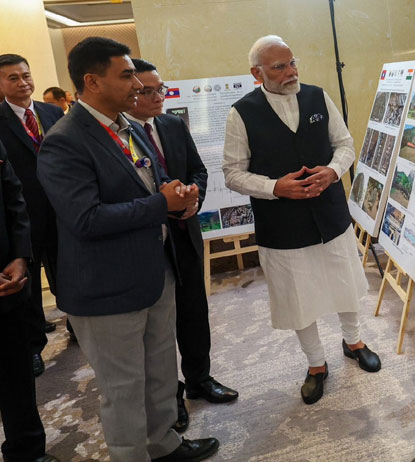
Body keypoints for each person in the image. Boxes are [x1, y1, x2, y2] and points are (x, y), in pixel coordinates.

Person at [36, 37, 219, 461]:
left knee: (158, 374)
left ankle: (163, 443)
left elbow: (145, 185)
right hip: (107, 289)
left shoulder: (129, 127)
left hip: (156, 272)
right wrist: (161, 204)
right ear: (92, 82)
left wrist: (176, 198)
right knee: (123, 389)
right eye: (126, 75)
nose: (137, 83)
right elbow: (86, 218)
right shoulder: (65, 141)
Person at [223, 35, 381, 405]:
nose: (291, 71)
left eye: (293, 62)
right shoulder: (241, 113)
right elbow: (232, 173)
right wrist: (275, 187)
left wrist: (332, 170)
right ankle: (315, 364)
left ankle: (354, 341)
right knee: (297, 298)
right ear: (256, 73)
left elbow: (345, 143)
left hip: (330, 213)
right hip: (281, 223)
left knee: (345, 281)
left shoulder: (317, 96)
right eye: (280, 66)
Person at [126, 58, 239, 434]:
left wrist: (194, 197)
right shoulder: (120, 136)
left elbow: (197, 170)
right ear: (129, 92)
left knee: (193, 310)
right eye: (147, 91)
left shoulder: (172, 124)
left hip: (184, 231)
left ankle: (199, 379)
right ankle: (169, 396)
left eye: (161, 88)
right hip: (146, 241)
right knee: (157, 327)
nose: (159, 96)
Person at [0, 54, 63, 377]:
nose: (23, 82)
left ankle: (79, 326)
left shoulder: (54, 112)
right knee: (29, 286)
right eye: (13, 78)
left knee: (66, 270)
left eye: (25, 75)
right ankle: (34, 345)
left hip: (62, 208)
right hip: (24, 214)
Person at [0, 139, 59, 462]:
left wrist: (22, 255)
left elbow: (13, 197)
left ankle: (27, 451)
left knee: (16, 373)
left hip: (9, 281)